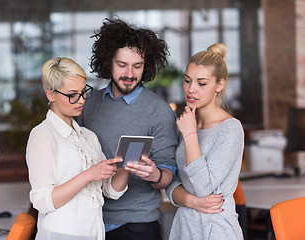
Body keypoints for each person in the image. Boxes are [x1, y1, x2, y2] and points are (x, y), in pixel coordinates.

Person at [78, 18, 223, 240]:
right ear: (108, 62)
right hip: (88, 219)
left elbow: (167, 176)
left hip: (137, 225)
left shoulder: (159, 111)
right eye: (122, 65)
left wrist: (155, 174)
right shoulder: (88, 104)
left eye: (137, 66)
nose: (129, 73)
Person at [26, 57, 128, 240]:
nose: (81, 100)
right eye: (72, 94)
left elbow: (109, 191)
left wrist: (129, 166)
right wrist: (89, 174)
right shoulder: (42, 135)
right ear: (50, 95)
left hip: (94, 233)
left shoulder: (88, 136)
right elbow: (43, 200)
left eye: (84, 92)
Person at [165, 43, 245, 240]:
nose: (191, 90)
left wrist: (190, 136)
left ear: (220, 84)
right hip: (184, 227)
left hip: (216, 229)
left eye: (201, 83)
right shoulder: (185, 123)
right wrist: (191, 201)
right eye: (187, 81)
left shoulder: (230, 129)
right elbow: (171, 181)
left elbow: (203, 187)